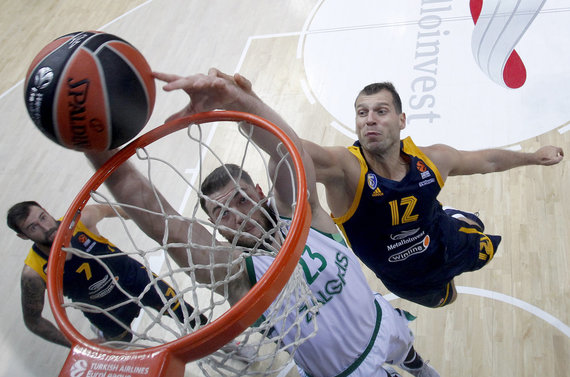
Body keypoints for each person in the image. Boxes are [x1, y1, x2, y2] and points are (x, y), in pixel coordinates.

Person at [84, 96, 440, 377]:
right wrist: (93, 144)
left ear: (258, 191)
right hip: (342, 372)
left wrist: (238, 98)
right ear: (215, 228)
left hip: (379, 321)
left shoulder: (303, 215)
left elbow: (287, 151)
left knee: (405, 349)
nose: (238, 215)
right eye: (223, 213)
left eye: (241, 199)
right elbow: (162, 221)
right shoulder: (235, 273)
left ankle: (416, 366)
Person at [153, 69, 565, 308]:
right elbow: (289, 149)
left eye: (381, 111)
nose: (369, 119)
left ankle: (451, 220)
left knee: (481, 244)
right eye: (362, 113)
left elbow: (487, 161)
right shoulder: (345, 170)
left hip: (445, 239)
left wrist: (532, 156)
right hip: (402, 277)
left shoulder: (431, 160)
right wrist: (247, 105)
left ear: (401, 120)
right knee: (447, 299)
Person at [7, 201, 206, 347]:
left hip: (138, 280)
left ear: (48, 211)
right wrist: (76, 343)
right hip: (105, 311)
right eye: (33, 227)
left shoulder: (80, 221)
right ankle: (102, 332)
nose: (46, 227)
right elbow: (33, 321)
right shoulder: (33, 273)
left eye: (43, 217)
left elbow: (111, 209)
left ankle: (226, 344)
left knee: (187, 314)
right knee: (123, 348)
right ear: (23, 236)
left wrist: (145, 218)